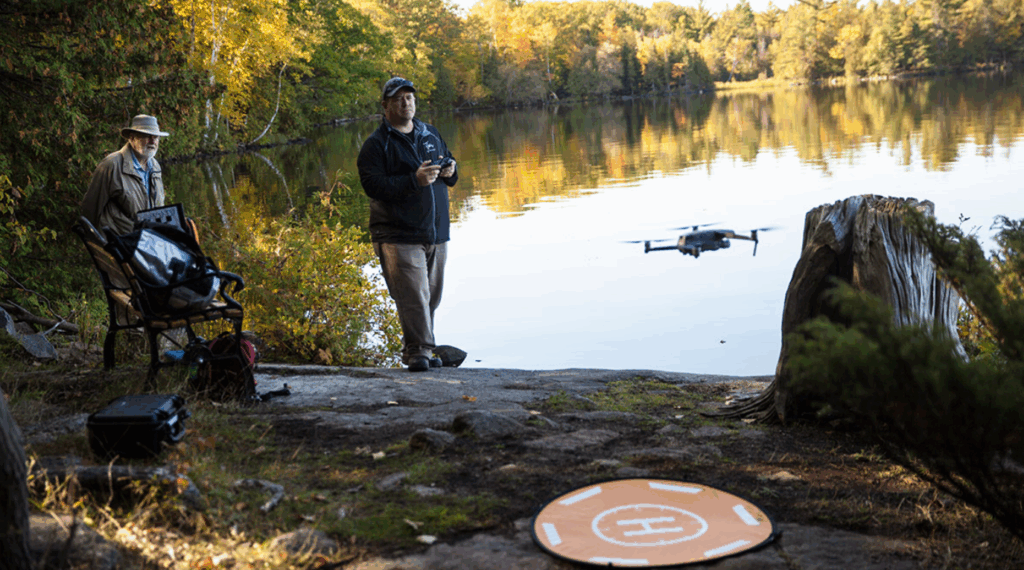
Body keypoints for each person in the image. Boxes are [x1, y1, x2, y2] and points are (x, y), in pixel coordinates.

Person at [357, 77, 458, 372]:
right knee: (413, 295)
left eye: (410, 98)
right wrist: (413, 181)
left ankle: (422, 349)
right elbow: (373, 186)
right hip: (398, 234)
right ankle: (419, 353)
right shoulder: (376, 145)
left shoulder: (429, 133)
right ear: (386, 106)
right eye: (399, 98)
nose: (406, 103)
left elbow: (448, 164)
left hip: (437, 232)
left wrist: (451, 168)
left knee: (431, 295)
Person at [81, 114, 169, 235]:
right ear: (132, 138)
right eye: (147, 136)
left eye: (156, 137)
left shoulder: (155, 166)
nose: (153, 141)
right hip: (120, 244)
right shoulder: (111, 164)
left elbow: (159, 208)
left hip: (148, 242)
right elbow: (90, 209)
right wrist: (97, 245)